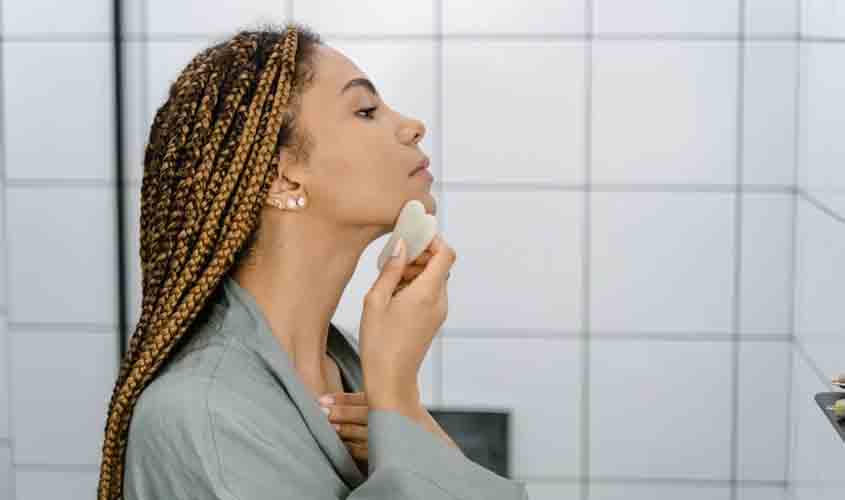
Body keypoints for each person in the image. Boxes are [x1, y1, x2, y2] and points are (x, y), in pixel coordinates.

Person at [95, 21, 529, 500]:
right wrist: (397, 395)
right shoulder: (201, 418)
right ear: (283, 178)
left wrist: (410, 425)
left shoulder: (345, 368)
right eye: (366, 111)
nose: (412, 126)